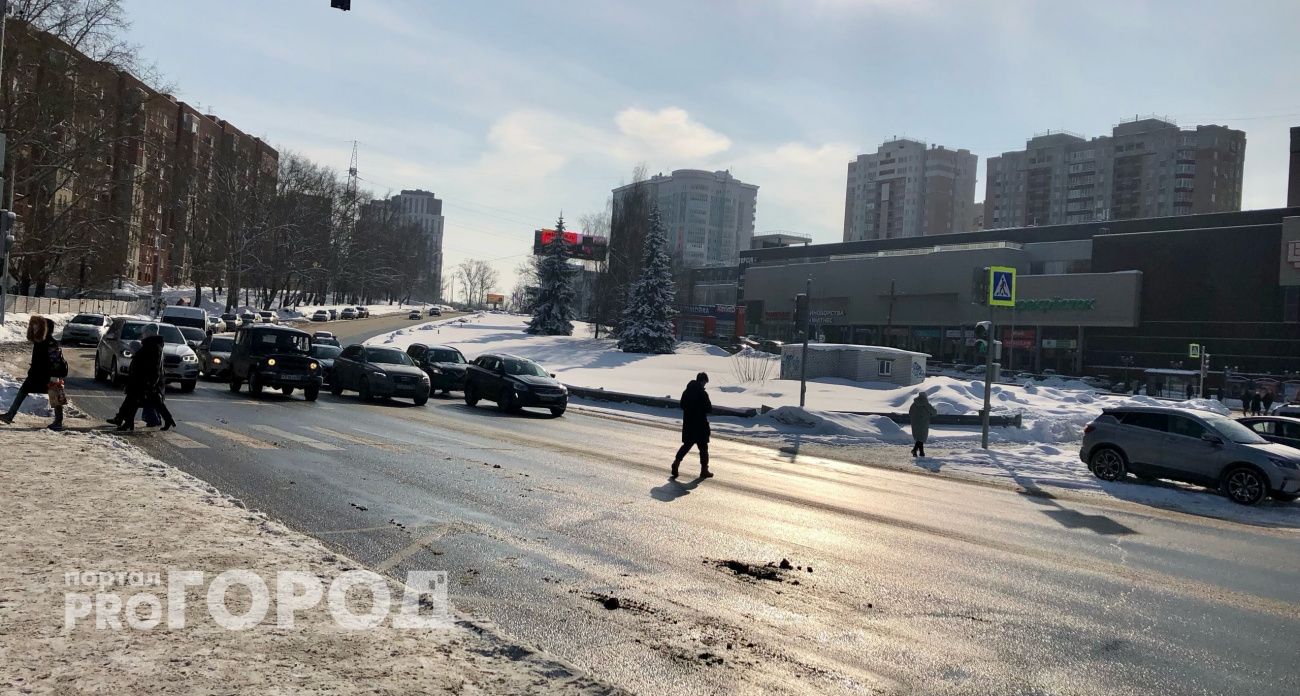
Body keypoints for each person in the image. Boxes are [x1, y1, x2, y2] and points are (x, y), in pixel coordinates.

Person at [1, 316, 68, 430]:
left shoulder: (50, 343)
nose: (34, 327)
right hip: (37, 375)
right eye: (33, 325)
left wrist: (55, 376)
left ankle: (58, 422)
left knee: (55, 395)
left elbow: (56, 360)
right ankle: (10, 415)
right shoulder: (39, 341)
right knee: (24, 390)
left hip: (49, 375)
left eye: (37, 325)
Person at [108, 324, 175, 432]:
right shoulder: (149, 345)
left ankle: (127, 422)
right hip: (140, 380)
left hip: (144, 381)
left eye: (144, 332)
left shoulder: (153, 346)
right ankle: (126, 422)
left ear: (149, 333)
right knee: (134, 401)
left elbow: (155, 367)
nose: (143, 334)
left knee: (141, 401)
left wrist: (151, 382)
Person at [672, 372, 713, 479]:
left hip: (689, 424)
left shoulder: (686, 391)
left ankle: (676, 463)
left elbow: (682, 405)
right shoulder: (702, 394)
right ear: (702, 381)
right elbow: (709, 408)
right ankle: (704, 470)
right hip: (700, 425)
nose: (705, 385)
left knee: (686, 445)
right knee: (703, 448)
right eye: (705, 382)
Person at [909, 392, 937, 458]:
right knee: (921, 438)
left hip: (915, 424)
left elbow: (910, 413)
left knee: (919, 438)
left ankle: (919, 452)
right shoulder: (926, 404)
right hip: (923, 423)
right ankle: (916, 451)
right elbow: (934, 412)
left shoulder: (913, 404)